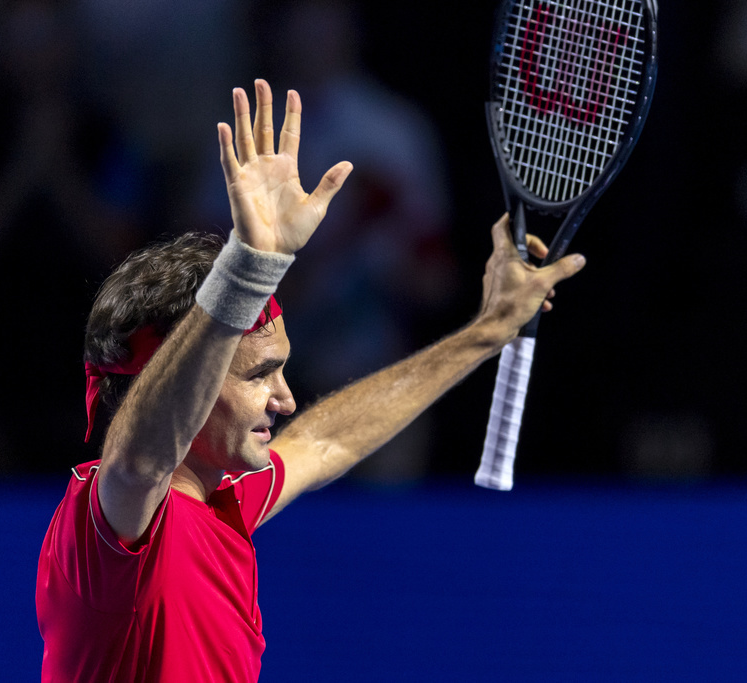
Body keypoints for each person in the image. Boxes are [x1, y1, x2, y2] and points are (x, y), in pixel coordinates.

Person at [35, 79, 586, 682]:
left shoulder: (225, 503)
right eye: (260, 375)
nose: (286, 399)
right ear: (186, 374)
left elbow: (328, 441)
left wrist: (485, 331)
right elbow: (139, 456)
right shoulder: (105, 522)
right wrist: (250, 263)